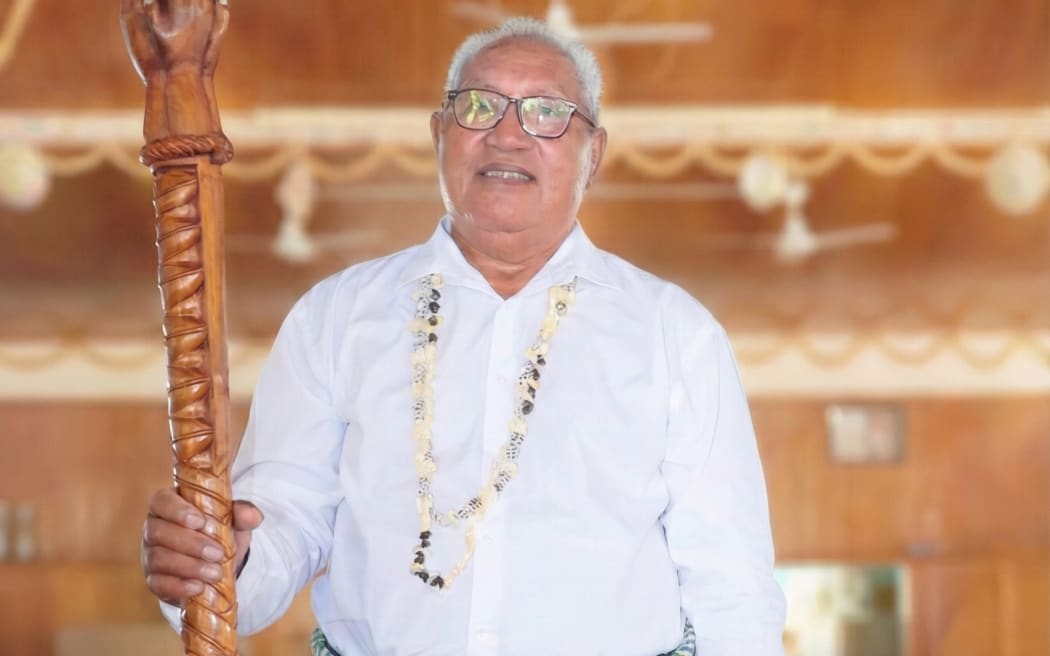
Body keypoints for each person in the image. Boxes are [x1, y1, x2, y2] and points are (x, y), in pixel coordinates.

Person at [141, 16, 786, 656]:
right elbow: (281, 527)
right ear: (438, 134)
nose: (508, 134)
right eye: (477, 106)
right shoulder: (337, 318)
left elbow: (733, 585)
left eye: (547, 113)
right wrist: (215, 558)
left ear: (595, 153)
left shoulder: (673, 335)